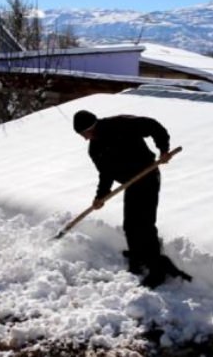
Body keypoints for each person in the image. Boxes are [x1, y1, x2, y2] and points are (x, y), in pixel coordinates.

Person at [73, 109, 191, 288]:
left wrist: (163, 149)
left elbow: (154, 126)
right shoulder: (95, 148)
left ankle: (157, 269)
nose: (85, 138)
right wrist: (100, 196)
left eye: (84, 133)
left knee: (144, 224)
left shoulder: (121, 124)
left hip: (148, 176)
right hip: (130, 184)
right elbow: (105, 174)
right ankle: (137, 259)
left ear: (92, 126)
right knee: (130, 224)